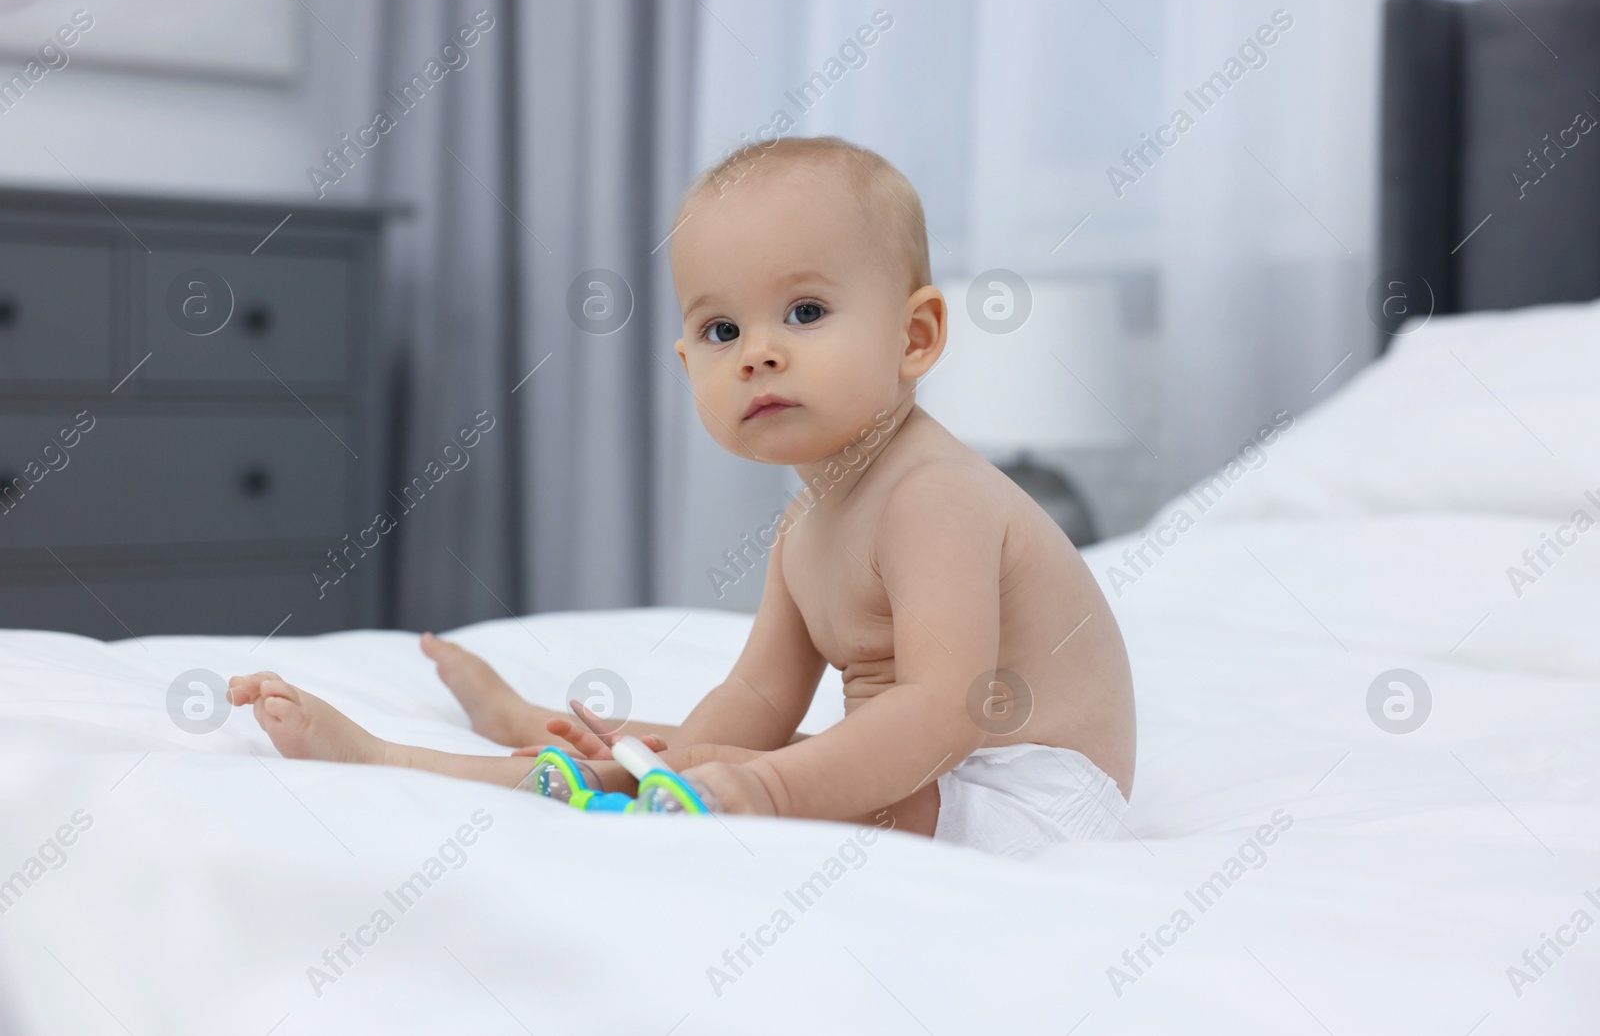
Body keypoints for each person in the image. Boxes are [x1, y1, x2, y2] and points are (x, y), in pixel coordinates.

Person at [229, 135, 1136, 858]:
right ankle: (472, 741)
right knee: (699, 766)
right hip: (933, 765)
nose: (758, 351)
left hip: (1030, 788)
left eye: (807, 311)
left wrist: (764, 787)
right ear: (685, 362)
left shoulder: (936, 497)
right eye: (720, 327)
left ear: (917, 334)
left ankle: (434, 756)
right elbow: (755, 698)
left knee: (792, 784)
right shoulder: (806, 526)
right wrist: (681, 763)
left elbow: (947, 707)